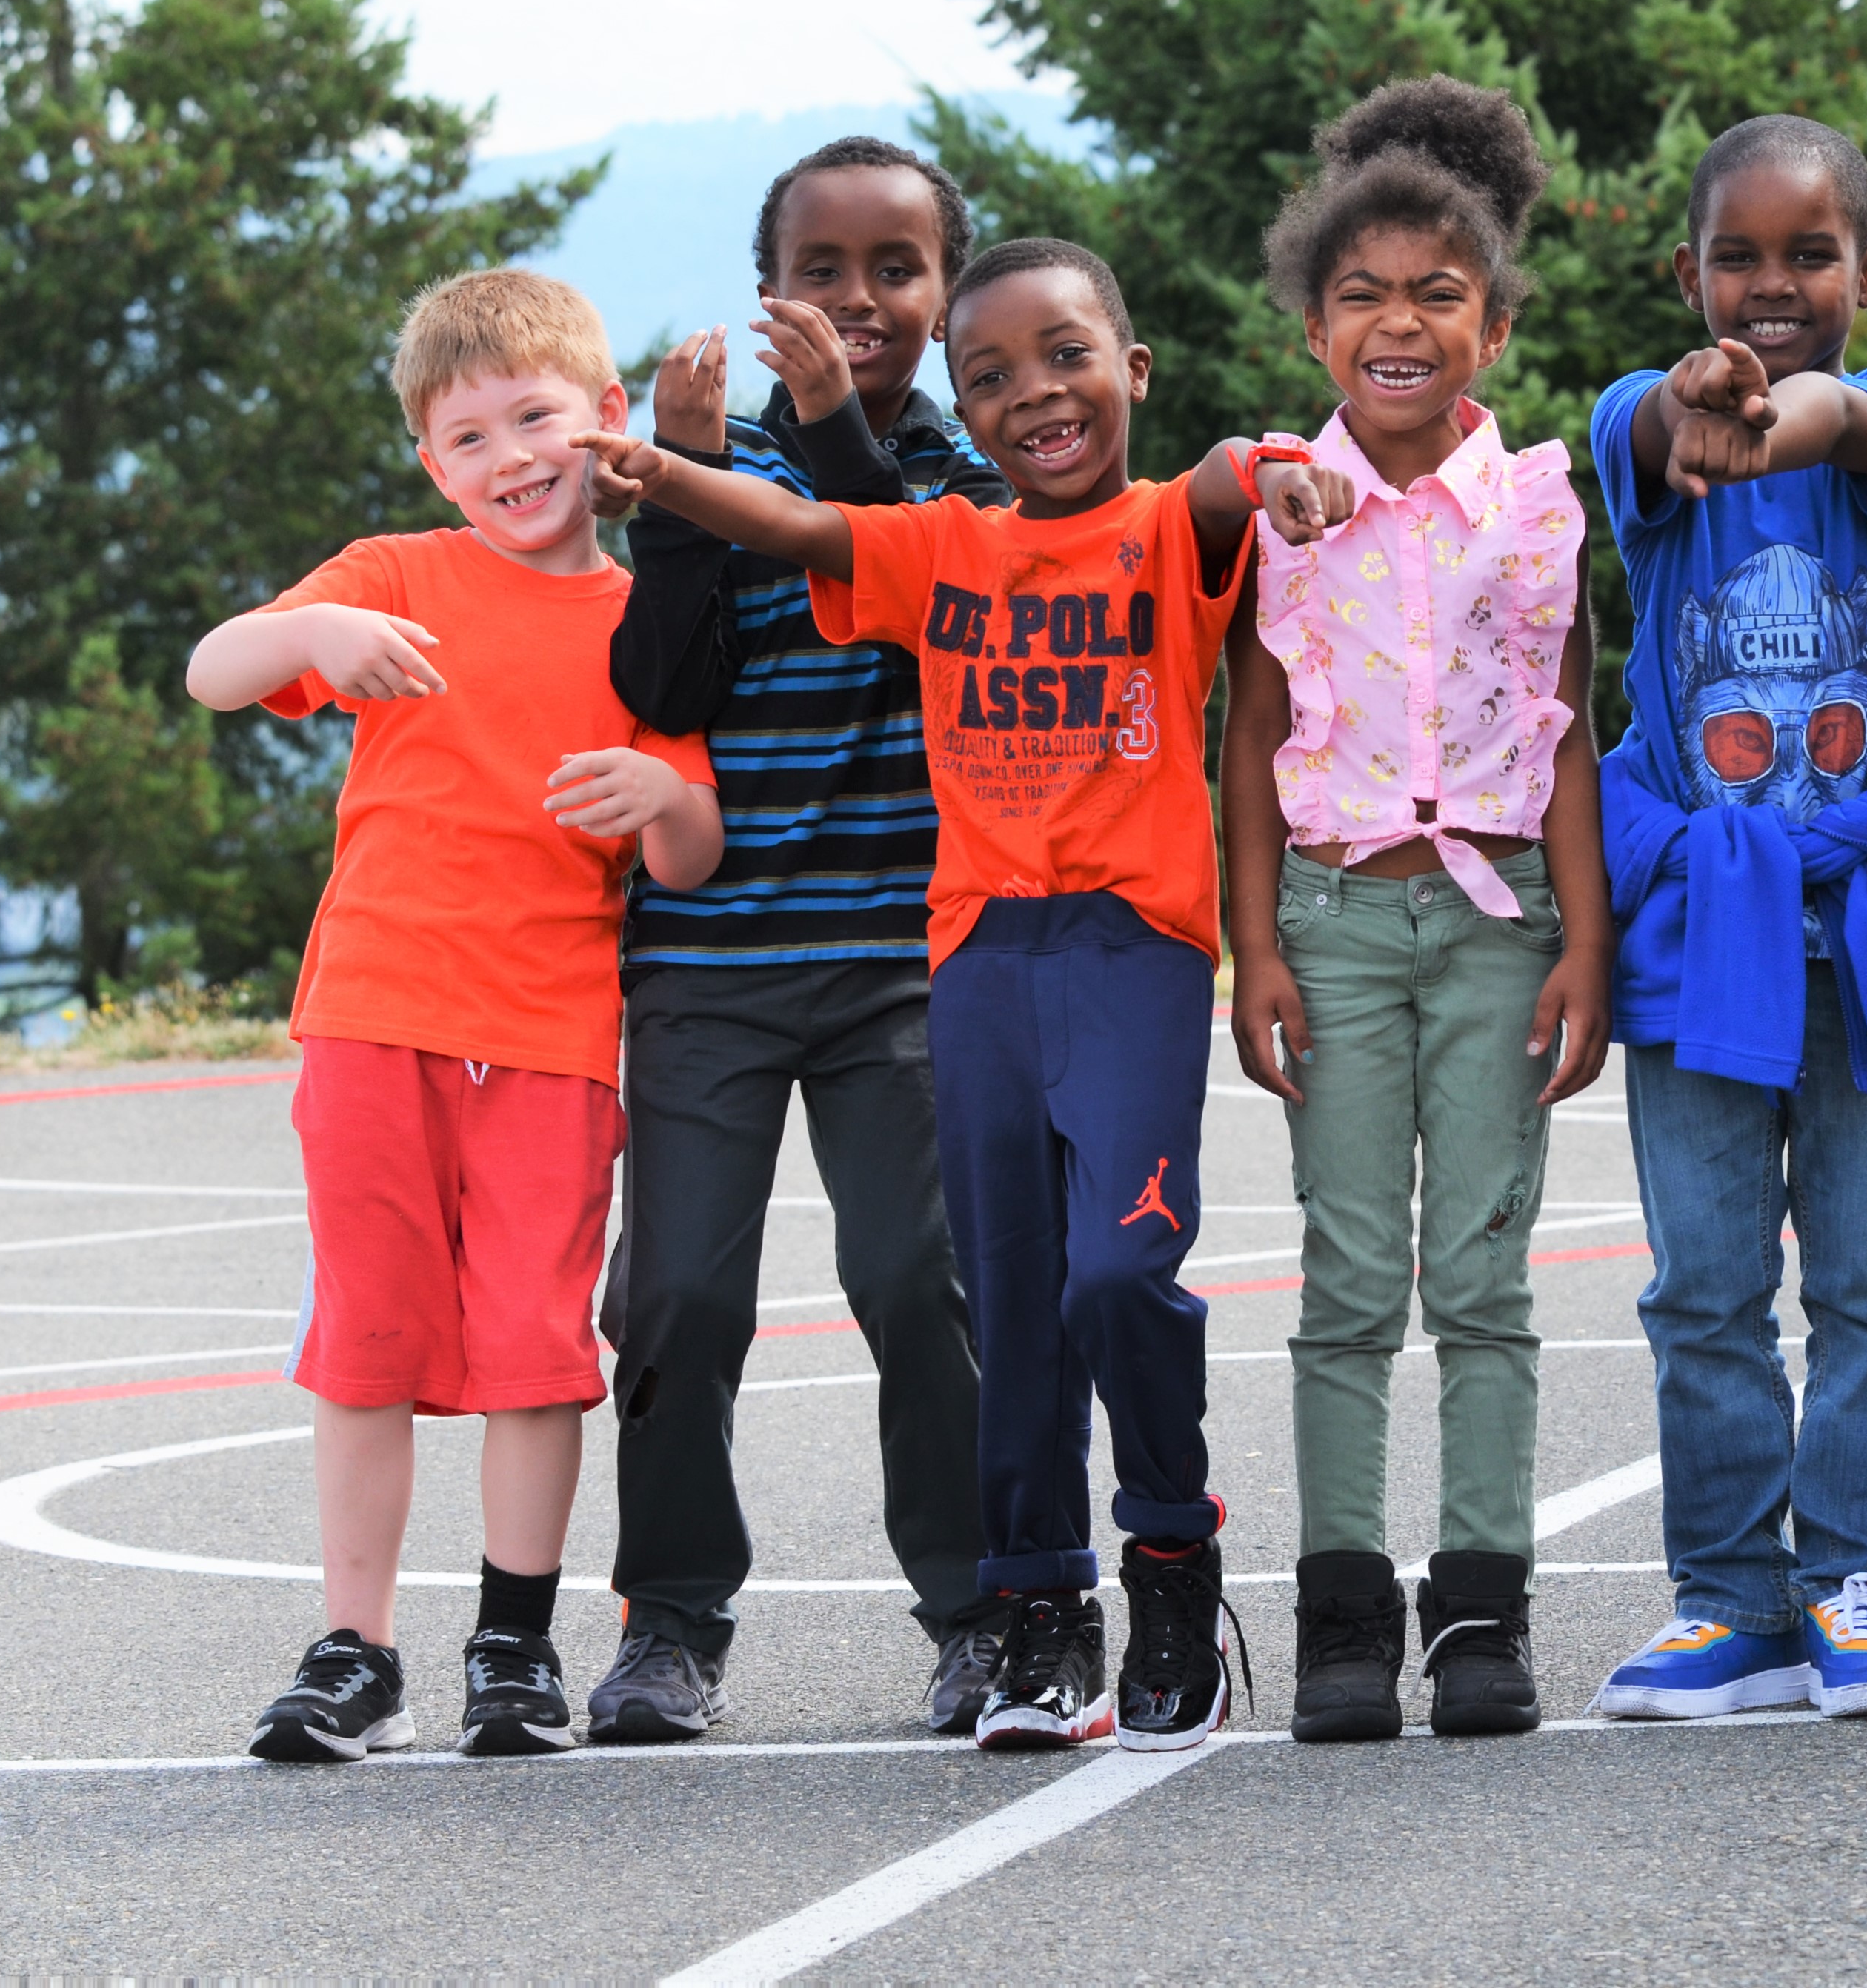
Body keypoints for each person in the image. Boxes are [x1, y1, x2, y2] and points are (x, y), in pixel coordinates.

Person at [575, 238, 1353, 1753]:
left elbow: (1225, 473)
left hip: (1131, 956)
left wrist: (1278, 469)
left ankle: (1172, 1560)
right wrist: (659, 477)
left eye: (1064, 357)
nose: (1031, 396)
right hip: (981, 959)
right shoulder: (942, 544)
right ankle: (1040, 1615)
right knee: (1006, 1302)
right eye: (985, 377)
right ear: (963, 412)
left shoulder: (1163, 531)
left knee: (1117, 1277)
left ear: (1125, 369)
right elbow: (796, 524)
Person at [190, 269, 725, 1763]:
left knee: (534, 1350)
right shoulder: (396, 575)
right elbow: (212, 670)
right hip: (373, 1015)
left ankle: (514, 1643)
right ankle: (355, 1651)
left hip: (551, 1041)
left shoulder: (643, 621)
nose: (510, 460)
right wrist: (310, 641)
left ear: (606, 420)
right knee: (366, 1342)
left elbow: (693, 848)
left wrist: (666, 796)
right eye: (469, 439)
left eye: (537, 419)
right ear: (433, 466)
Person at [585, 139, 1016, 1746]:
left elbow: (900, 584)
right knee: (679, 1300)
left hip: (903, 962)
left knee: (923, 1279)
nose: (858, 300)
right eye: (821, 271)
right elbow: (661, 690)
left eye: (895, 270)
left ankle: (977, 1612)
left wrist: (826, 440)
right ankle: (670, 1624)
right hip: (707, 966)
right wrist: (682, 499)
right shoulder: (710, 462)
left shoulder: (975, 486)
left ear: (944, 293)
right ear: (771, 291)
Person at [1219, 78, 1614, 1743]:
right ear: (1318, 327)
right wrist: (1254, 950)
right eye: (1365, 297)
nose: (1401, 324)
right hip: (1332, 925)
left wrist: (1584, 940)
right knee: (1348, 1281)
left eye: (1438, 296)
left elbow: (1568, 719)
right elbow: (1249, 739)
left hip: (1499, 923)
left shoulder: (1536, 501)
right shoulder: (1274, 504)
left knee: (1483, 1280)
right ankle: (1338, 1616)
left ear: (1495, 327)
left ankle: (1480, 1610)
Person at [1583, 115, 1867, 1724]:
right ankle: (1729, 1600)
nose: (1770, 284)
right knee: (1703, 1286)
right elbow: (1655, 419)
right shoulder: (1635, 429)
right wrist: (1695, 405)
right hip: (1699, 938)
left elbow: (1843, 415)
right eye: (1735, 257)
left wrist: (1780, 410)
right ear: (1686, 273)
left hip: (1864, 926)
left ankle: (1855, 1581)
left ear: (1864, 273)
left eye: (1808, 254)